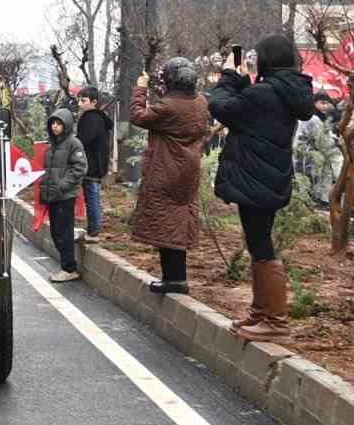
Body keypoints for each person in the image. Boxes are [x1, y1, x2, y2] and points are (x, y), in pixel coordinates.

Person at [211, 34, 316, 339]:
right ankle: (261, 313)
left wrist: (230, 75)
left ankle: (276, 321)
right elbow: (253, 112)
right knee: (258, 242)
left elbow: (220, 105)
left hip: (255, 178)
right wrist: (245, 83)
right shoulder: (287, 91)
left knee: (261, 244)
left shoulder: (266, 93)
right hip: (270, 176)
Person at [129, 57, 210, 295]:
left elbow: (137, 115)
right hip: (188, 169)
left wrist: (141, 87)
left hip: (166, 169)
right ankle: (175, 277)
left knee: (165, 223)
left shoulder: (168, 107)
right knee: (177, 221)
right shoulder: (200, 102)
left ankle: (174, 280)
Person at [38, 108, 87, 283]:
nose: (55, 127)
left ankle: (69, 268)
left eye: (58, 124)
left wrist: (62, 186)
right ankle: (67, 265)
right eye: (53, 123)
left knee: (63, 233)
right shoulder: (52, 145)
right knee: (56, 232)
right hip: (53, 196)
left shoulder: (74, 143)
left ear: (66, 125)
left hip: (65, 196)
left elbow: (80, 168)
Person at [75, 87, 113, 243]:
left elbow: (83, 141)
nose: (79, 104)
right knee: (93, 197)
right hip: (98, 164)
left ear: (94, 102)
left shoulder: (90, 118)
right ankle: (93, 228)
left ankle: (94, 231)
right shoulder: (100, 118)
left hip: (90, 164)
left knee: (92, 197)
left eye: (83, 101)